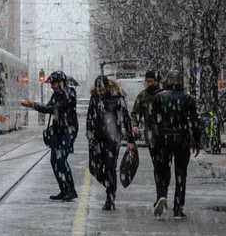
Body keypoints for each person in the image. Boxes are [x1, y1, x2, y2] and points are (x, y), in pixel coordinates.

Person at [21, 70, 78, 202]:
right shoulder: (56, 94)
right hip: (58, 130)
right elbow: (48, 107)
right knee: (54, 160)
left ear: (61, 82)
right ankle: (63, 189)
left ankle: (71, 189)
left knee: (61, 159)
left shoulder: (69, 93)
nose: (52, 86)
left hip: (68, 130)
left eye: (54, 83)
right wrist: (37, 105)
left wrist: (34, 105)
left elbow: (54, 109)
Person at [151, 70, 200, 219]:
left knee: (161, 170)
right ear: (180, 82)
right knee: (181, 173)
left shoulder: (159, 97)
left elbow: (154, 119)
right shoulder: (188, 99)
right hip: (182, 138)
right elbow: (194, 122)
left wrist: (155, 136)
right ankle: (178, 208)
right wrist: (197, 142)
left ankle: (161, 195)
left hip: (163, 138)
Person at [86, 76, 136, 210]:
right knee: (94, 168)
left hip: (112, 139)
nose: (100, 92)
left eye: (102, 89)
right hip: (96, 138)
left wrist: (130, 140)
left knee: (109, 168)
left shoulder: (118, 99)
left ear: (108, 87)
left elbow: (126, 119)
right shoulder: (94, 98)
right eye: (98, 90)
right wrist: (89, 134)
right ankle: (110, 186)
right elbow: (90, 116)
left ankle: (110, 197)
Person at [131, 70, 162, 195]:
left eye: (152, 81)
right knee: (156, 164)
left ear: (157, 81)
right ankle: (160, 191)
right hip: (151, 134)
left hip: (164, 133)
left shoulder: (163, 94)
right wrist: (135, 124)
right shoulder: (143, 96)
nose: (150, 84)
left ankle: (162, 188)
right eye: (148, 81)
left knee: (164, 164)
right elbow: (135, 112)